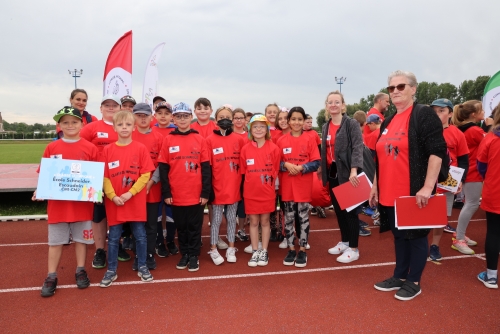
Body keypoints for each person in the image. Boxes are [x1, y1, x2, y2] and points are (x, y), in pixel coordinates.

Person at [369, 70, 447, 301]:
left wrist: (427, 187)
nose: (395, 92)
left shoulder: (423, 115)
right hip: (389, 193)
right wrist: (375, 185)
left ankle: (414, 281)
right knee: (399, 237)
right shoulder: (390, 120)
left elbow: (436, 153)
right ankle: (400, 276)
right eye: (392, 88)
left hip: (412, 192)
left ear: (413, 89)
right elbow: (380, 157)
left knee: (416, 236)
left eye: (401, 87)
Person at [34, 106, 98, 297]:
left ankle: (80, 270)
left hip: (82, 205)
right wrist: (40, 189)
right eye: (65, 122)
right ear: (59, 125)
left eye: (74, 122)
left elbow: (96, 176)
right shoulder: (51, 147)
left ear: (82, 124)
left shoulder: (90, 148)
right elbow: (44, 175)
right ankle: (51, 275)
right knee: (55, 242)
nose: (70, 125)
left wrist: (96, 191)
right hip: (58, 206)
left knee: (81, 240)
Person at [100, 110, 155, 287]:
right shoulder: (108, 150)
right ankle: (111, 270)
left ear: (134, 127)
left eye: (128, 124)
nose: (124, 128)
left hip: (134, 202)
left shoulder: (140, 148)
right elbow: (105, 177)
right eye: (120, 125)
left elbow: (146, 174)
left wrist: (130, 193)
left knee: (140, 236)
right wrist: (112, 196)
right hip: (115, 202)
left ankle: (143, 266)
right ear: (114, 127)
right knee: (114, 237)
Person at [158, 102, 211, 272]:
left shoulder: (199, 139)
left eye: (185, 116)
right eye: (178, 116)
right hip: (176, 193)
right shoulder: (168, 139)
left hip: (196, 194)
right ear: (174, 118)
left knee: (194, 227)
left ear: (190, 117)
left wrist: (205, 192)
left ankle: (194, 255)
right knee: (181, 227)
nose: (182, 119)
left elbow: (206, 168)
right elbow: (163, 169)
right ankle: (185, 254)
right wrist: (166, 192)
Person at [80, 94, 127, 268]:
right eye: (106, 105)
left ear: (120, 108)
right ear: (100, 108)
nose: (110, 107)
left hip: (119, 178)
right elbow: (78, 146)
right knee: (98, 216)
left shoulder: (125, 126)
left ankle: (117, 244)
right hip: (96, 179)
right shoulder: (91, 128)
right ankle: (100, 250)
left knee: (118, 212)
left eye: (114, 105)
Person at [320, 90, 364, 263]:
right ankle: (345, 241)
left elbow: (358, 147)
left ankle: (354, 248)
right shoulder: (325, 126)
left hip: (348, 174)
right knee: (338, 210)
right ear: (326, 106)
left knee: (350, 211)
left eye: (337, 102)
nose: (333, 105)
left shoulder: (351, 124)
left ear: (343, 105)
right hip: (332, 174)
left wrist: (354, 170)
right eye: (330, 102)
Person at [277, 107, 320, 267]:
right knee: (288, 219)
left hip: (303, 186)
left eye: (299, 119)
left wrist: (301, 168)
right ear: (288, 121)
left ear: (304, 121)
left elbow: (316, 162)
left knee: (303, 218)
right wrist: (286, 165)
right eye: (293, 119)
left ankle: (302, 250)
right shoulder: (281, 140)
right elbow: (275, 163)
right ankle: (290, 248)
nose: (296, 122)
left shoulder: (310, 139)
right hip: (287, 187)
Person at [428, 98, 469, 261]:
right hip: (426, 182)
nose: (437, 114)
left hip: (448, 182)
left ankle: (435, 245)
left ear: (450, 113)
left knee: (440, 218)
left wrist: (461, 181)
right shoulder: (425, 131)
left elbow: (464, 159)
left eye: (442, 111)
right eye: (434, 110)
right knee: (422, 216)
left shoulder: (457, 134)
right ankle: (418, 245)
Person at [206, 106, 246, 265]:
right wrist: (209, 189)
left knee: (231, 218)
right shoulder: (209, 140)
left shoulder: (240, 139)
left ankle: (231, 247)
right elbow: (207, 167)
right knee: (215, 220)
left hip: (234, 187)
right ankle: (213, 248)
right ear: (215, 120)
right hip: (217, 188)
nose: (224, 119)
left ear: (232, 120)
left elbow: (244, 165)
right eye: (221, 116)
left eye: (228, 117)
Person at [240, 114, 280, 267]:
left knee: (264, 221)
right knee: (253, 222)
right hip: (250, 193)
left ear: (267, 129)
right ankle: (255, 250)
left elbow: (275, 170)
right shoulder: (245, 149)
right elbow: (244, 172)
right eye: (255, 126)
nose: (258, 129)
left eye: (262, 126)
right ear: (250, 129)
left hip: (267, 192)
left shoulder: (274, 148)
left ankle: (264, 250)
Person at [131, 103, 164, 270]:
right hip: (133, 191)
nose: (142, 118)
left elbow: (161, 163)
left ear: (151, 117)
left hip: (152, 189)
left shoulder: (158, 137)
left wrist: (151, 182)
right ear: (134, 117)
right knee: (137, 225)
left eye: (145, 115)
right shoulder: (128, 135)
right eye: (139, 115)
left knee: (151, 224)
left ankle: (149, 254)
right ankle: (138, 254)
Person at [451, 100, 486, 254]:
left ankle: (460, 234)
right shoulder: (475, 131)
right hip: (473, 171)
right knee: (471, 204)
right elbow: (490, 145)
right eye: (481, 110)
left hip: (466, 170)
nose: (484, 112)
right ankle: (459, 238)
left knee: (469, 203)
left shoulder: (462, 129)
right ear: (473, 114)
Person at [476, 103, 500, 289]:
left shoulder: (491, 138)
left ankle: (491, 275)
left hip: (495, 191)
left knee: (493, 232)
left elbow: (481, 166)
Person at [153, 101, 179, 257]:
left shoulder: (177, 131)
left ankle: (170, 240)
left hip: (172, 179)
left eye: (166, 113)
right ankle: (158, 243)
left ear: (172, 116)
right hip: (154, 180)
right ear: (155, 115)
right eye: (160, 113)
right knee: (156, 213)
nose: (163, 116)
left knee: (171, 212)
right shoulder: (149, 131)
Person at [232, 108, 250, 242]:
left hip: (245, 175)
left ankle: (241, 229)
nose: (238, 120)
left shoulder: (250, 136)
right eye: (236, 118)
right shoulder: (228, 135)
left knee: (243, 204)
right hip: (230, 175)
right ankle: (230, 230)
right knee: (231, 205)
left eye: (241, 118)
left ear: (245, 120)